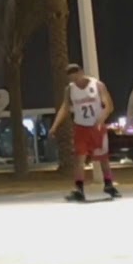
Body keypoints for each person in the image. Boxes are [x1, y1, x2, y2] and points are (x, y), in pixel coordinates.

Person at [50, 63, 121, 202]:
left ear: (82, 72)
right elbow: (65, 107)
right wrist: (55, 126)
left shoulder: (97, 85)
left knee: (103, 158)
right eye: (71, 77)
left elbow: (109, 106)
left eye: (76, 75)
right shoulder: (70, 90)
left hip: (96, 126)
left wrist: (101, 119)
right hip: (81, 126)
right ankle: (79, 189)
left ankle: (109, 185)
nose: (74, 79)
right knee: (79, 158)